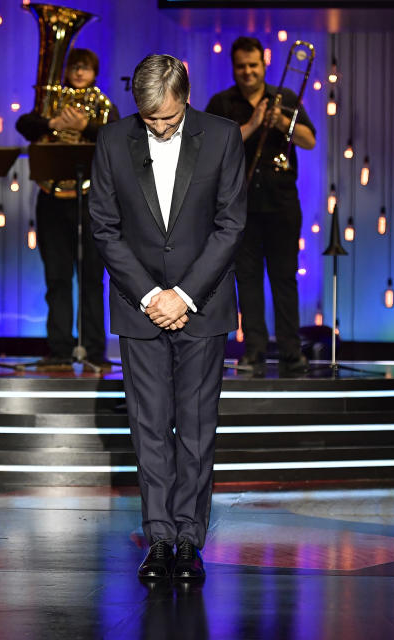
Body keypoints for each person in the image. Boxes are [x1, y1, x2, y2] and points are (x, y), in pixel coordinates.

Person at [89, 55, 246, 581]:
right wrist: (152, 294)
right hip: (141, 308)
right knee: (149, 426)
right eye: (150, 119)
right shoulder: (113, 141)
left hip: (202, 306)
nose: (158, 127)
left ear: (187, 96)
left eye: (168, 118)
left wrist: (184, 295)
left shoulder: (223, 137)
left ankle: (188, 539)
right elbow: (105, 227)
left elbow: (230, 225)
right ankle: (159, 539)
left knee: (196, 429)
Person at [205, 36, 316, 377]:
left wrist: (281, 122)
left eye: (253, 65)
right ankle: (253, 353)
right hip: (239, 206)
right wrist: (254, 124)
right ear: (234, 68)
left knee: (284, 280)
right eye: (241, 66)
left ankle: (290, 353)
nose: (248, 71)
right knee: (248, 281)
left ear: (264, 65)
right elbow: (211, 146)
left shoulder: (285, 98)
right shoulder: (222, 103)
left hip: (282, 203)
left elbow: (309, 140)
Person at [16, 48, 119, 370]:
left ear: (94, 73)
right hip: (52, 198)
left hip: (91, 200)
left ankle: (93, 349)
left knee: (92, 278)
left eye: (85, 68)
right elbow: (25, 124)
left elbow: (117, 138)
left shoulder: (103, 105)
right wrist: (54, 122)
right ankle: (59, 349)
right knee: (57, 278)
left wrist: (86, 126)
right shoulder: (50, 103)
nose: (78, 73)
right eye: (73, 67)